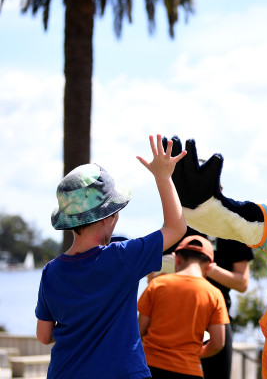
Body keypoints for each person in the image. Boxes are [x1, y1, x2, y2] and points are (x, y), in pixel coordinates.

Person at [35, 134, 187, 379]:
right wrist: (163, 177)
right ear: (110, 217)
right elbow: (176, 228)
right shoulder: (123, 258)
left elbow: (44, 335)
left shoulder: (51, 272)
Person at [138, 235, 230, 379]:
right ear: (209, 267)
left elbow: (139, 331)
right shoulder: (215, 294)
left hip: (150, 366)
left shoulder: (158, 284)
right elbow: (218, 343)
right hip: (189, 369)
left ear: (177, 259)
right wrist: (197, 353)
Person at [199, 233, 254, 379]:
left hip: (216, 319)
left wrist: (207, 269)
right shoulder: (180, 220)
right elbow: (155, 274)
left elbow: (242, 283)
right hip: (175, 318)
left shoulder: (230, 226)